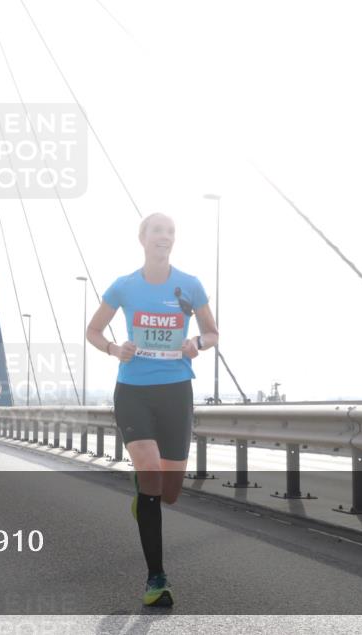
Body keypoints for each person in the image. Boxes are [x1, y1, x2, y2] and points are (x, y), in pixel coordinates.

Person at [85, 212, 218, 608]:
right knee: (150, 477)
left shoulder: (189, 285)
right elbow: (92, 330)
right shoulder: (124, 286)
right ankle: (156, 578)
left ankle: (146, 496)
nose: (165, 237)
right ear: (142, 238)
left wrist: (198, 342)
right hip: (134, 390)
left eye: (170, 231)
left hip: (176, 390)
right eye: (157, 231)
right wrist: (113, 348)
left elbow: (214, 331)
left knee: (171, 492)